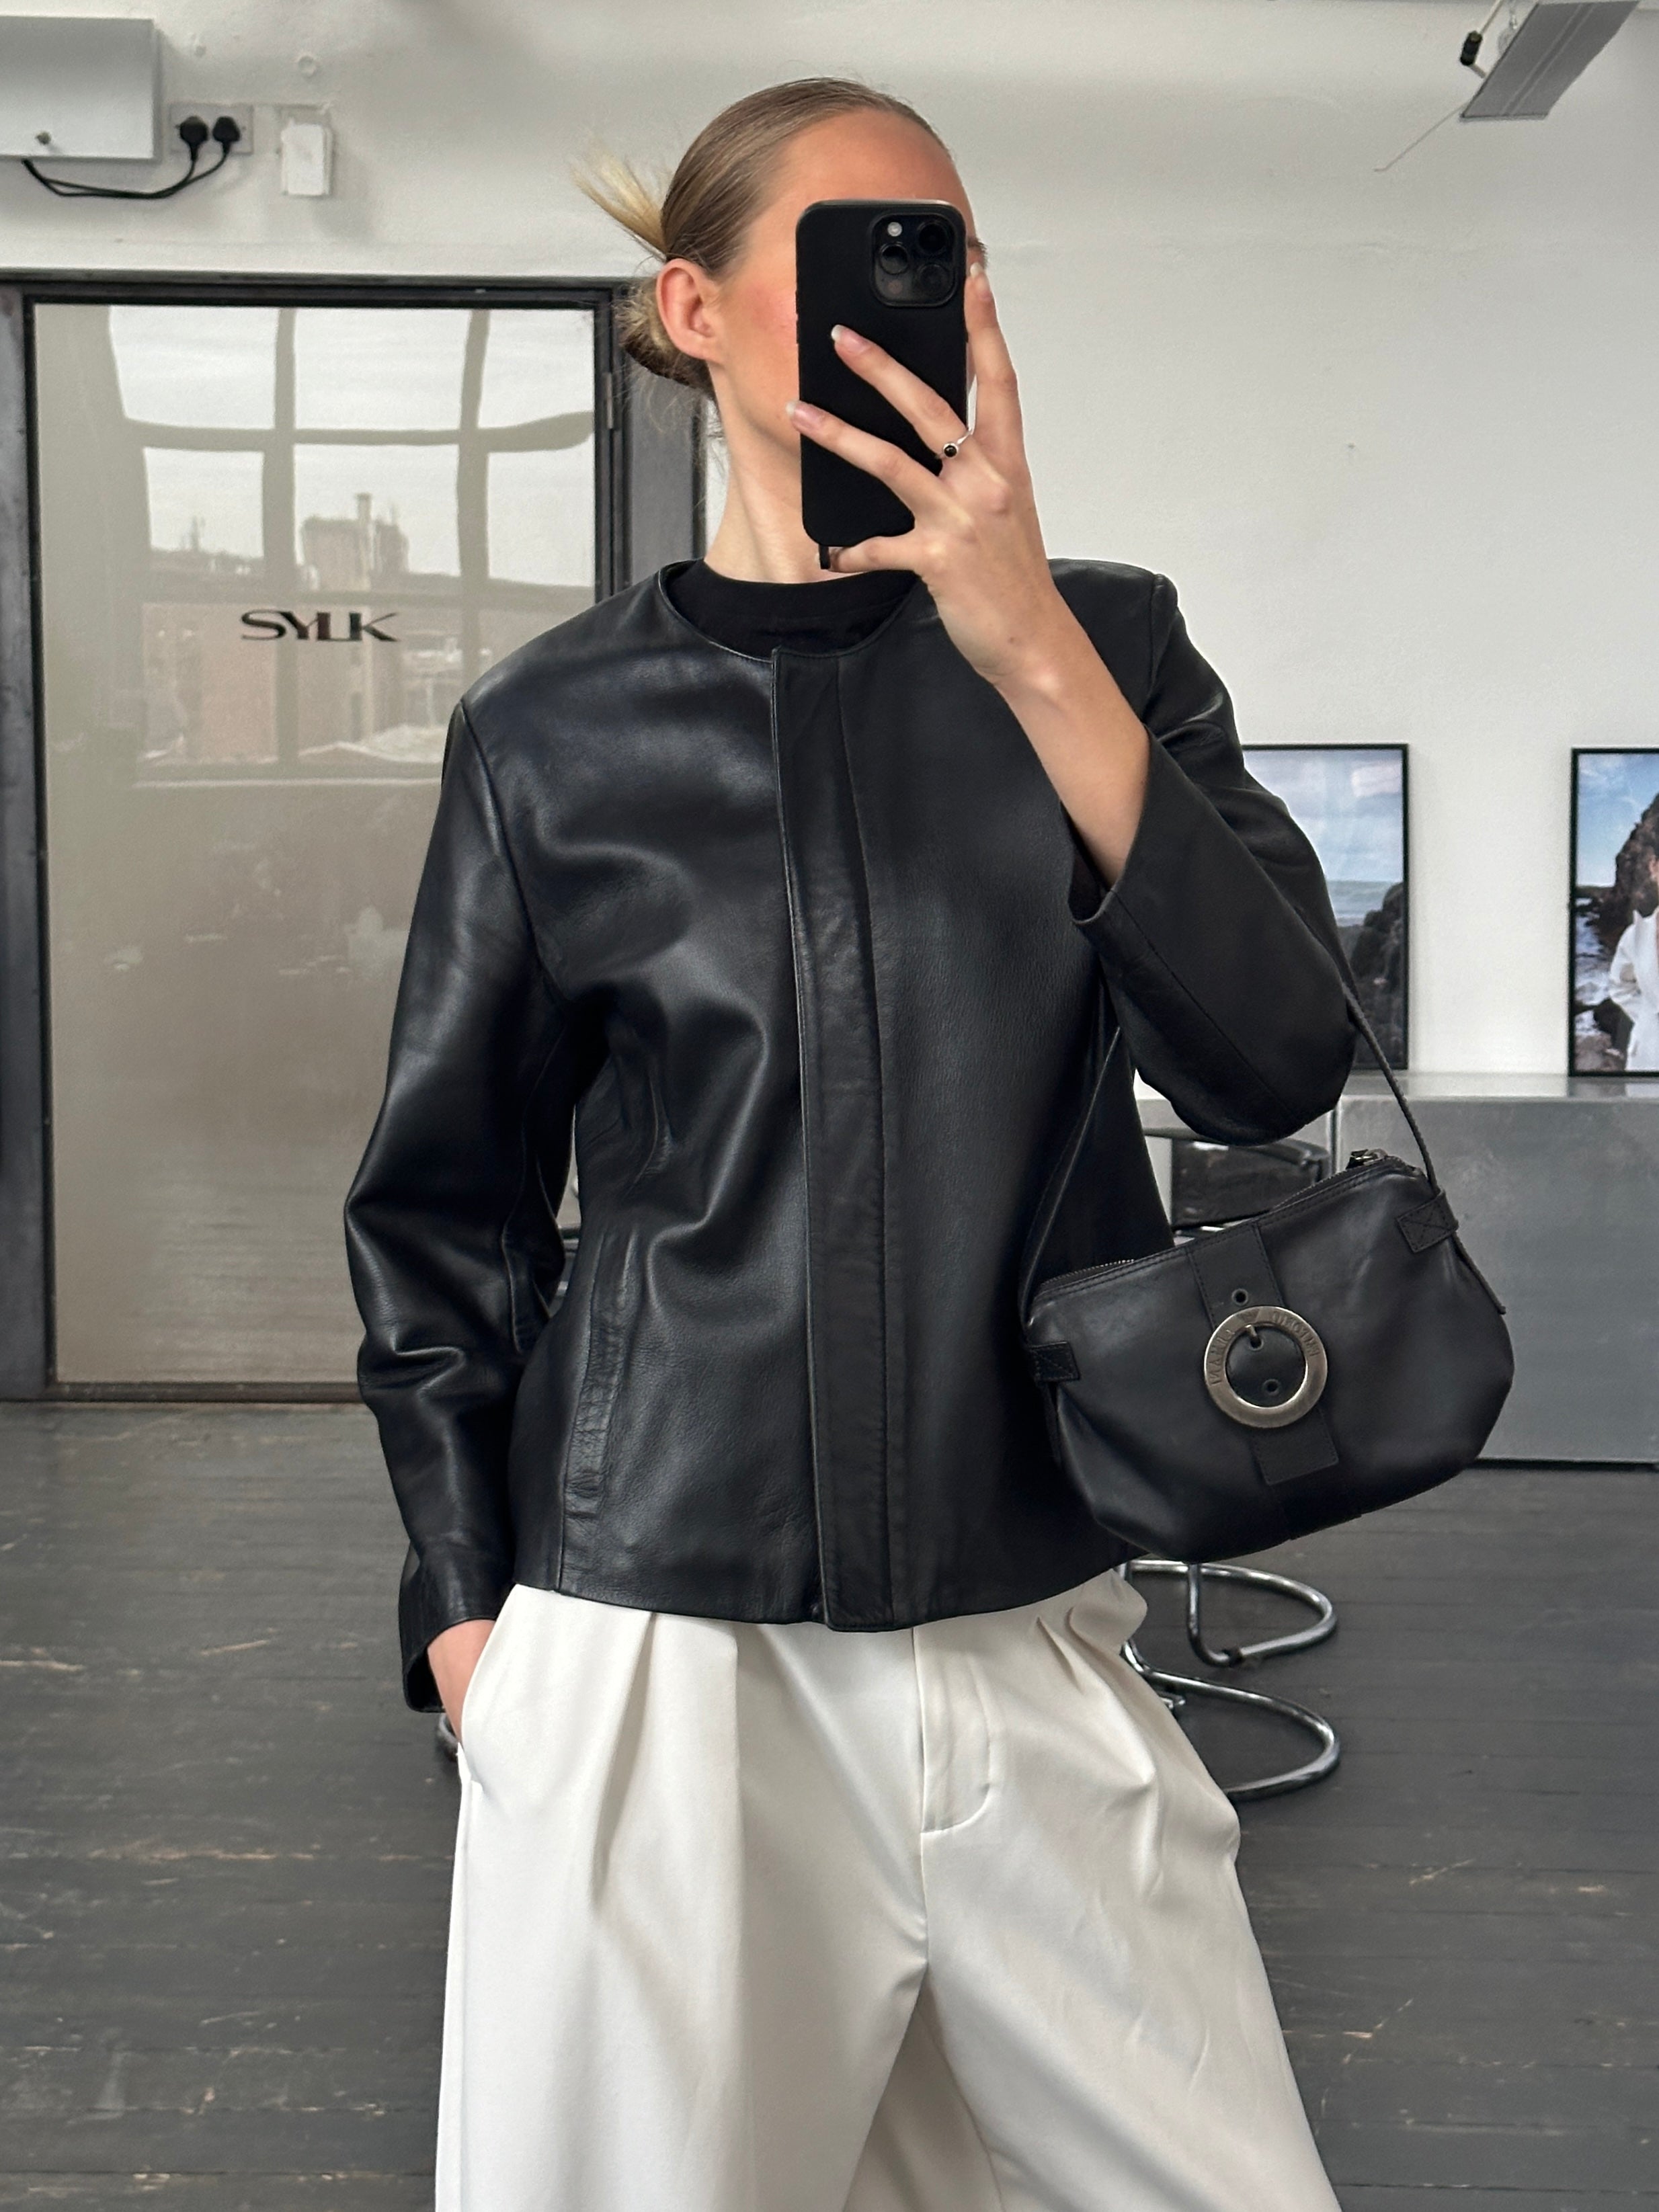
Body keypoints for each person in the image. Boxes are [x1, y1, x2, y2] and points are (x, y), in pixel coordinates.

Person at [343, 75, 1359, 2212]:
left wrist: (1026, 637)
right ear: (695, 310)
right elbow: (442, 1210)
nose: (919, 299)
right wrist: (466, 1624)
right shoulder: (551, 731)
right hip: (657, 1651)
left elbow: (1276, 1058)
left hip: (1029, 1612)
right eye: (856, 254)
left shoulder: (1112, 649)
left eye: (951, 255)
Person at [1607, 853, 1659, 1071]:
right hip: (1647, 1058)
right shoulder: (1636, 935)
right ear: (1654, 867)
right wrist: (1648, 1017)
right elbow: (1619, 987)